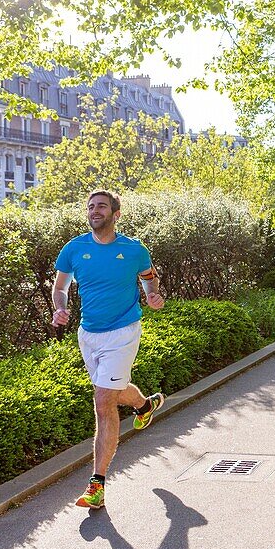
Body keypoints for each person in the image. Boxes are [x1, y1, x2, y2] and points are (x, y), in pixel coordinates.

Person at [52, 190, 166, 510]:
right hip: (89, 335)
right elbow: (60, 288)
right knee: (112, 393)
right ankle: (143, 406)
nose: (94, 210)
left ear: (115, 213)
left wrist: (152, 295)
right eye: (90, 206)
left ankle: (97, 485)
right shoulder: (74, 249)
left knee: (103, 400)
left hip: (123, 331)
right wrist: (59, 308)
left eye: (101, 206)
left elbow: (149, 278)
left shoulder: (133, 250)